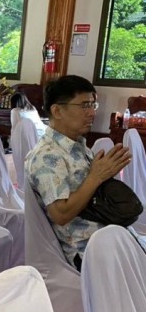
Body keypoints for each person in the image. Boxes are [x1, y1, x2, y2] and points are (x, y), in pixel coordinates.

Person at [25, 75, 131, 270]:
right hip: (87, 252)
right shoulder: (47, 156)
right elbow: (61, 214)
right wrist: (96, 176)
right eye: (84, 105)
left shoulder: (78, 146)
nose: (92, 112)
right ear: (57, 110)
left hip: (108, 238)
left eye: (93, 105)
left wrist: (104, 175)